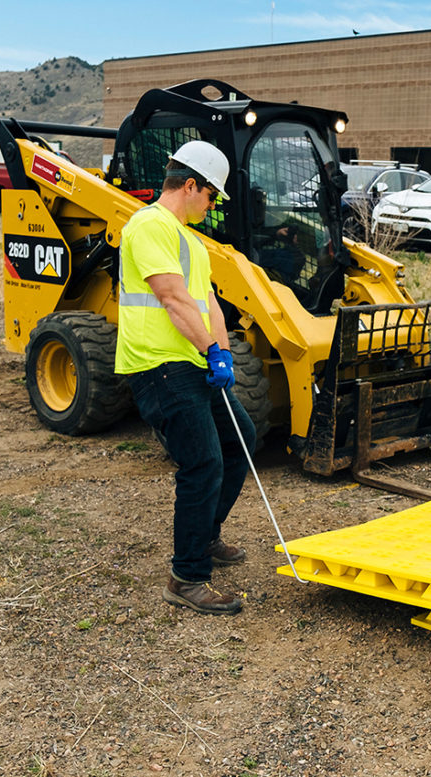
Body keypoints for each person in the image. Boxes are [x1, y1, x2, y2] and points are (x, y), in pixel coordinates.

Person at [115, 140, 256, 616]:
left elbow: (209, 304)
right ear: (190, 185)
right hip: (158, 366)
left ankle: (205, 535)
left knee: (241, 443)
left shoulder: (192, 241)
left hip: (193, 363)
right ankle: (187, 577)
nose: (213, 206)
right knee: (202, 463)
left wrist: (224, 355)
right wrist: (211, 349)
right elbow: (173, 300)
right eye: (211, 196)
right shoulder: (149, 225)